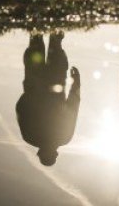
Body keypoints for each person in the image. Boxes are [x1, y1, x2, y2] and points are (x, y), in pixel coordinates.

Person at [16, 33, 80, 166]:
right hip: (37, 82)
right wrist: (30, 93)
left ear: (56, 154)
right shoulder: (29, 137)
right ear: (40, 153)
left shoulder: (64, 137)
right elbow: (20, 108)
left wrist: (76, 83)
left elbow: (73, 106)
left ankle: (46, 20)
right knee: (37, 42)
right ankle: (39, 19)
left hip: (53, 81)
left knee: (52, 43)